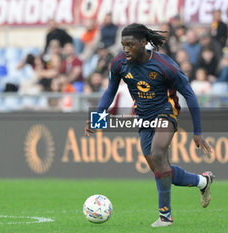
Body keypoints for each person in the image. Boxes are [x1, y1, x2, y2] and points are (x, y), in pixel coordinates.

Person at [84, 23, 214, 227]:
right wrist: (97, 117)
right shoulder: (119, 63)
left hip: (166, 111)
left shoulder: (165, 65)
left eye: (130, 44)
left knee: (158, 154)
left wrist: (197, 132)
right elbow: (110, 91)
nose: (126, 49)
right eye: (123, 44)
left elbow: (189, 93)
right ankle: (203, 181)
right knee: (162, 171)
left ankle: (165, 216)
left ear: (143, 43)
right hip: (143, 117)